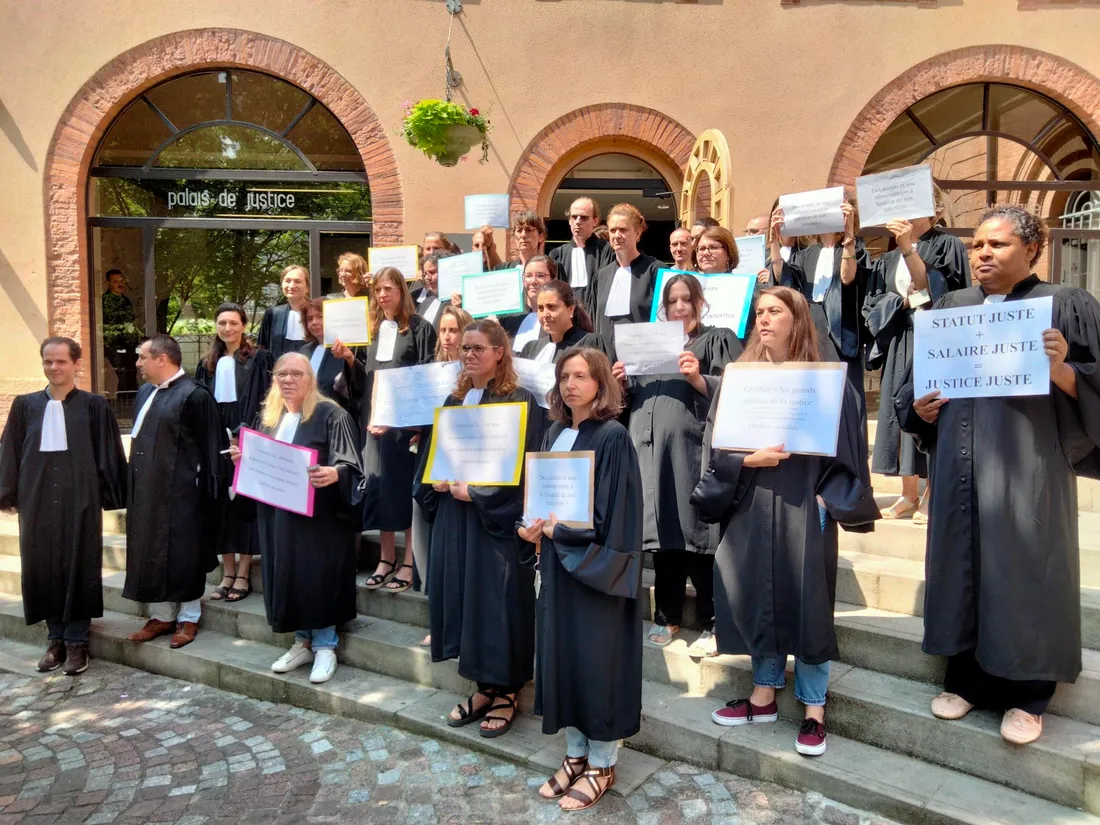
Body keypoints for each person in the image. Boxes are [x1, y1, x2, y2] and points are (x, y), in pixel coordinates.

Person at [897, 206, 1100, 745]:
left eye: (998, 245)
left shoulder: (1064, 306)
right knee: (962, 563)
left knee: (1025, 567)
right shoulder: (953, 308)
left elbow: (1096, 390)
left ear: (1033, 249)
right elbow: (914, 394)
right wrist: (922, 410)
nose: (982, 253)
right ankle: (966, 680)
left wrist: (1063, 372)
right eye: (977, 245)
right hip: (958, 466)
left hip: (1027, 463)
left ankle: (1029, 695)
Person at [693, 287, 878, 757]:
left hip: (803, 503)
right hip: (751, 500)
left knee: (808, 602)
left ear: (798, 320)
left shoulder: (825, 383)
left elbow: (849, 451)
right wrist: (744, 462)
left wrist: (825, 498)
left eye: (775, 312)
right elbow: (716, 448)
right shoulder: (739, 381)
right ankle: (763, 694)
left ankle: (814, 706)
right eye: (759, 312)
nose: (764, 320)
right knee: (760, 596)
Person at [522, 347, 643, 811]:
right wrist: (530, 525)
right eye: (565, 376)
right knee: (564, 659)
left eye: (582, 376)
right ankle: (575, 755)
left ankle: (602, 763)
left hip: (595, 570)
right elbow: (543, 497)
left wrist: (561, 531)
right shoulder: (554, 432)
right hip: (557, 565)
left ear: (600, 384)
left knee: (598, 664)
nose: (572, 383)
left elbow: (612, 516)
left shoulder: (613, 437)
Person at [413, 320, 542, 737]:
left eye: (478, 348)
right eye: (464, 348)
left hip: (496, 523)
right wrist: (434, 478)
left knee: (498, 603)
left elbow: (525, 469)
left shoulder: (521, 401)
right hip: (456, 519)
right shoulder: (455, 401)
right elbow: (437, 457)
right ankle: (485, 685)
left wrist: (481, 494)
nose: (468, 354)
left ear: (500, 352)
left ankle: (508, 691)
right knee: (468, 600)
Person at [621, 273, 742, 654]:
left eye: (686, 300)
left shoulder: (717, 338)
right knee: (662, 536)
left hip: (691, 452)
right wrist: (622, 382)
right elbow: (632, 401)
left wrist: (699, 378)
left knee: (697, 537)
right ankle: (667, 615)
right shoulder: (651, 345)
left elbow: (738, 392)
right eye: (671, 301)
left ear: (699, 303)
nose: (678, 307)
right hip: (650, 455)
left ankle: (713, 621)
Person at [229, 353, 364, 685]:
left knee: (316, 576)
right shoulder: (270, 419)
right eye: (281, 374)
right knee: (289, 575)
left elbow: (354, 469)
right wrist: (244, 461)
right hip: (279, 518)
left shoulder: (333, 415)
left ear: (310, 379)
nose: (288, 380)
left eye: (296, 374)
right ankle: (302, 641)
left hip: (321, 520)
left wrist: (336, 473)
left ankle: (325, 646)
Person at [0, 337, 127, 675]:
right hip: (37, 498)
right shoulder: (25, 405)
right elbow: (10, 450)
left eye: (61, 362)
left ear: (76, 364)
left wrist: (110, 494)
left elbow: (107, 453)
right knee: (42, 565)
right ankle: (55, 637)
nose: (54, 368)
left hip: (80, 500)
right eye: (48, 362)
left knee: (79, 564)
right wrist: (7, 494)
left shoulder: (94, 406)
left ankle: (76, 641)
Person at [864, 200, 969, 522]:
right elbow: (875, 301)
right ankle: (908, 493)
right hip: (901, 339)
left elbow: (942, 291)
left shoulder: (947, 245)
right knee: (901, 411)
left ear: (935, 211)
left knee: (932, 411)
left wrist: (910, 249)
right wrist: (901, 302)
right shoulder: (890, 256)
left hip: (935, 338)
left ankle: (932, 493)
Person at [124, 334, 227, 650]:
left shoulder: (196, 395)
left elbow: (213, 447)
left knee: (184, 554)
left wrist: (211, 493)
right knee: (151, 550)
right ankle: (163, 615)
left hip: (184, 494)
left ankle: (189, 617)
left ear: (161, 359)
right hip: (146, 492)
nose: (137, 363)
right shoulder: (144, 392)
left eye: (142, 357)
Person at [353, 267, 437, 594]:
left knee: (403, 490)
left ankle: (408, 561)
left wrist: (418, 424)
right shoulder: (373, 330)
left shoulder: (419, 328)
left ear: (402, 291)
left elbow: (427, 377)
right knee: (379, 488)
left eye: (389, 288)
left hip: (404, 425)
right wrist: (348, 358)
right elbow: (365, 378)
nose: (383, 294)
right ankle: (386, 558)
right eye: (378, 290)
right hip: (374, 423)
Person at [194, 304, 274, 603]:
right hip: (215, 441)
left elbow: (267, 399)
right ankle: (227, 572)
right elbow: (201, 403)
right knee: (219, 506)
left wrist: (247, 433)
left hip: (246, 440)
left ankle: (243, 572)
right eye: (222, 323)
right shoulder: (207, 363)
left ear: (243, 325)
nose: (227, 328)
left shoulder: (259, 358)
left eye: (233, 323)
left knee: (243, 505)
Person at [777, 195, 873, 432]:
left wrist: (849, 233)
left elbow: (847, 278)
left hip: (841, 335)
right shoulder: (806, 254)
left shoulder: (855, 249)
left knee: (846, 405)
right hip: (810, 332)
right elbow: (783, 282)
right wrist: (774, 240)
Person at [411, 303, 474, 647]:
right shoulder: (429, 371)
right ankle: (438, 617)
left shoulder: (473, 377)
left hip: (459, 466)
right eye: (444, 330)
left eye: (454, 330)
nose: (448, 337)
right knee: (428, 541)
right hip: (428, 459)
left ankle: (458, 621)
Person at [588, 203, 662, 338]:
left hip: (644, 354)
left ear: (638, 233)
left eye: (623, 230)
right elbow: (593, 322)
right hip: (606, 356)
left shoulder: (656, 271)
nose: (617, 235)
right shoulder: (601, 276)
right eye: (612, 230)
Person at [300, 299, 362, 422]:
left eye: (320, 317)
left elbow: (359, 382)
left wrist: (349, 358)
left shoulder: (349, 348)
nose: (314, 322)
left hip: (338, 420)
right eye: (310, 319)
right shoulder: (305, 350)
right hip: (307, 418)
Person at [549, 197, 614, 309]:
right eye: (574, 217)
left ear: (595, 221)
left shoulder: (606, 250)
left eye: (584, 217)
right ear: (569, 220)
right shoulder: (557, 255)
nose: (578, 221)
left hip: (596, 318)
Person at [519, 281, 601, 364]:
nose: (545, 314)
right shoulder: (531, 349)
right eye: (540, 308)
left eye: (551, 307)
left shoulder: (590, 343)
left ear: (570, 309)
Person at [501, 255, 557, 348]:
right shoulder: (511, 321)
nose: (533, 281)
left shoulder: (560, 320)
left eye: (540, 275)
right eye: (528, 276)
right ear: (523, 280)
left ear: (553, 280)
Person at [257, 265, 311, 360]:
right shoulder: (272, 314)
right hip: (278, 372)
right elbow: (262, 348)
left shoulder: (317, 313)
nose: (291, 285)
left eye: (297, 281)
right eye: (287, 281)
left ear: (307, 287)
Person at [101, 269, 140, 393]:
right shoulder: (105, 300)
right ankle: (123, 407)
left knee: (132, 374)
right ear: (108, 283)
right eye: (116, 281)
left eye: (122, 281)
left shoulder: (126, 301)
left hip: (129, 344)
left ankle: (131, 405)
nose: (120, 284)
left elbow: (130, 323)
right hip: (115, 344)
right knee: (122, 374)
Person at [411, 252, 449, 327]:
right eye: (425, 274)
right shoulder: (423, 303)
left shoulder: (456, 301)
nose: (427, 277)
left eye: (432, 272)